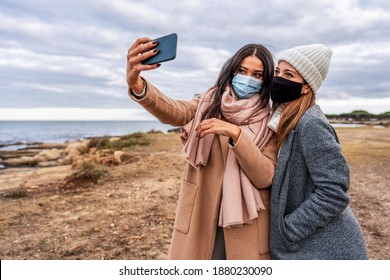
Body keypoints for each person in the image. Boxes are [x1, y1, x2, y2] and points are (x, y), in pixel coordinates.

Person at [126, 37, 277, 259]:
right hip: (202, 215)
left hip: (247, 224)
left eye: (257, 75)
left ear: (266, 81)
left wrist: (236, 134)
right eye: (242, 71)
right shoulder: (208, 103)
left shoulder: (270, 119)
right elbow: (176, 112)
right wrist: (137, 84)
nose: (247, 79)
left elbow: (265, 177)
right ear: (232, 70)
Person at [268, 44, 368, 259]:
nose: (278, 78)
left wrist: (287, 231)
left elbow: (334, 191)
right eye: (278, 71)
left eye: (289, 74)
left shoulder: (310, 123)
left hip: (325, 250)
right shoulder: (284, 117)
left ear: (306, 86)